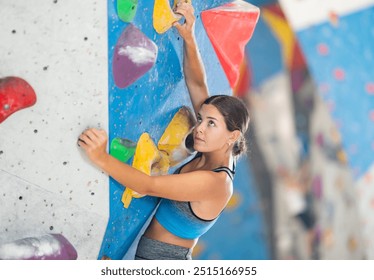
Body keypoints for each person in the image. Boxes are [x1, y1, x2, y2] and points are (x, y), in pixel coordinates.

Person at [78, 1, 250, 260]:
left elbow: (147, 185)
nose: (199, 128)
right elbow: (196, 81)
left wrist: (101, 156)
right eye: (202, 119)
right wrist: (190, 36)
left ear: (233, 136)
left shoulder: (217, 183)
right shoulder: (218, 146)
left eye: (210, 123)